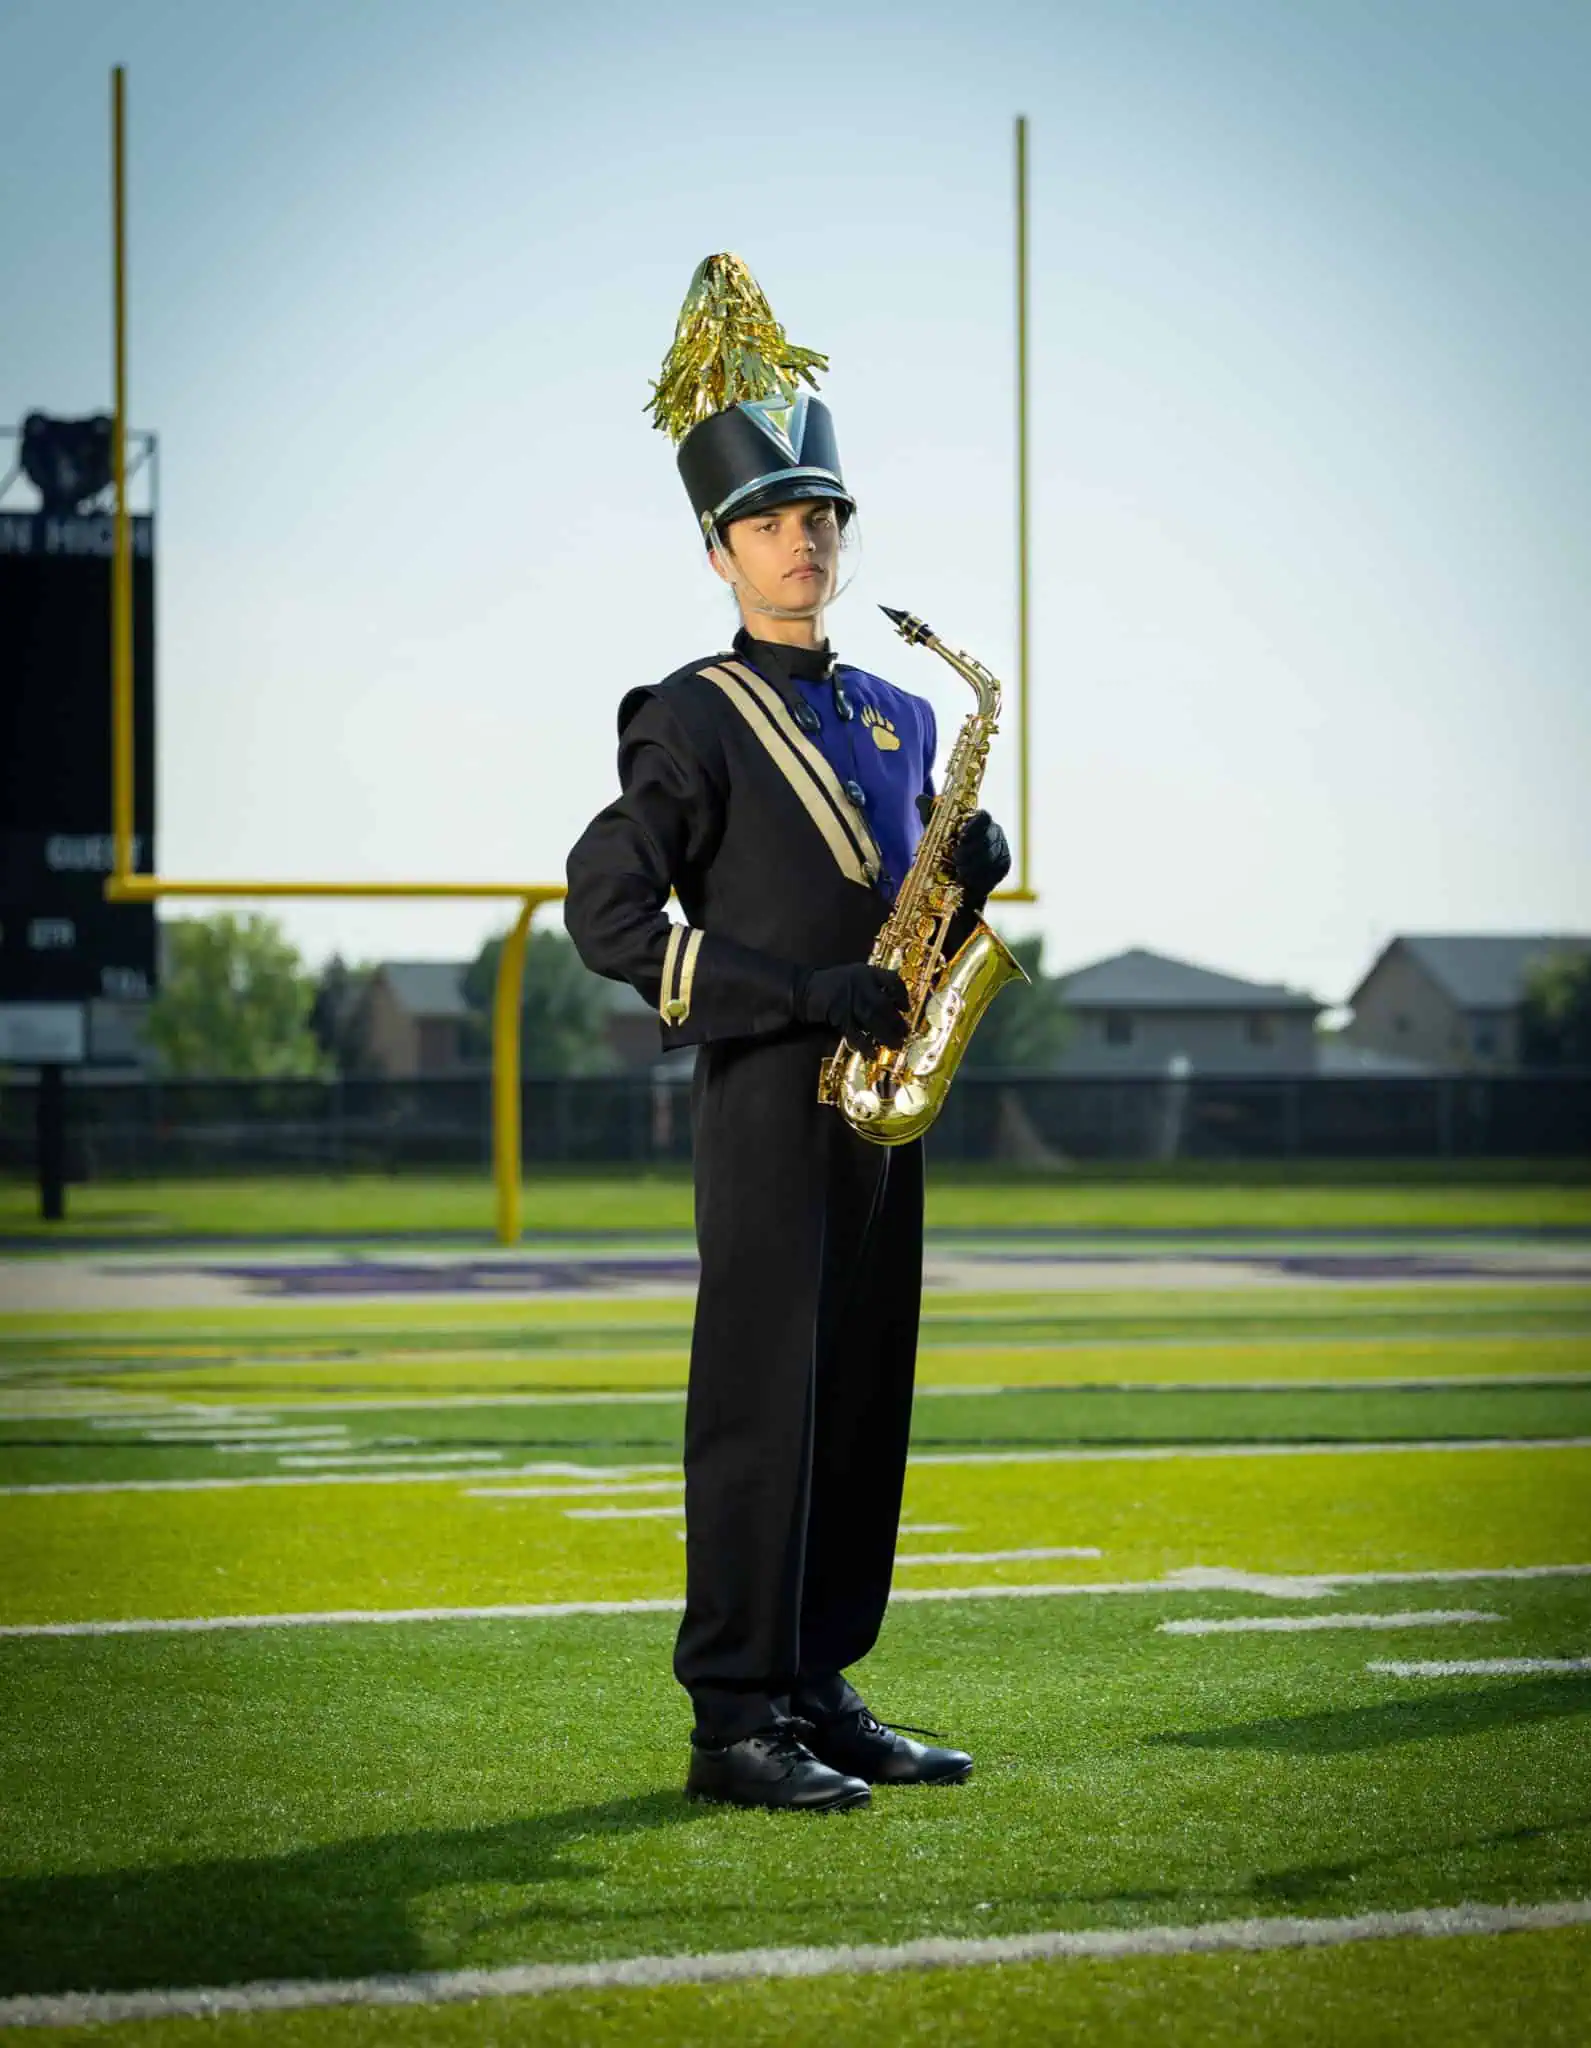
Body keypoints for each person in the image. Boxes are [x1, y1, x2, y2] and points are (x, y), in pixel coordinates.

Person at [565, 255, 1011, 1813]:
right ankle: (732, 1717)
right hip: (767, 1097)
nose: (803, 540)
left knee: (861, 1397)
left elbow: (908, 930)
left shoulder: (897, 715)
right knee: (760, 1403)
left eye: (822, 516)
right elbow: (611, 920)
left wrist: (958, 891)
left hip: (884, 1103)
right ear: (717, 549)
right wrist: (788, 993)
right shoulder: (684, 715)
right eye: (771, 521)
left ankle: (820, 1680)